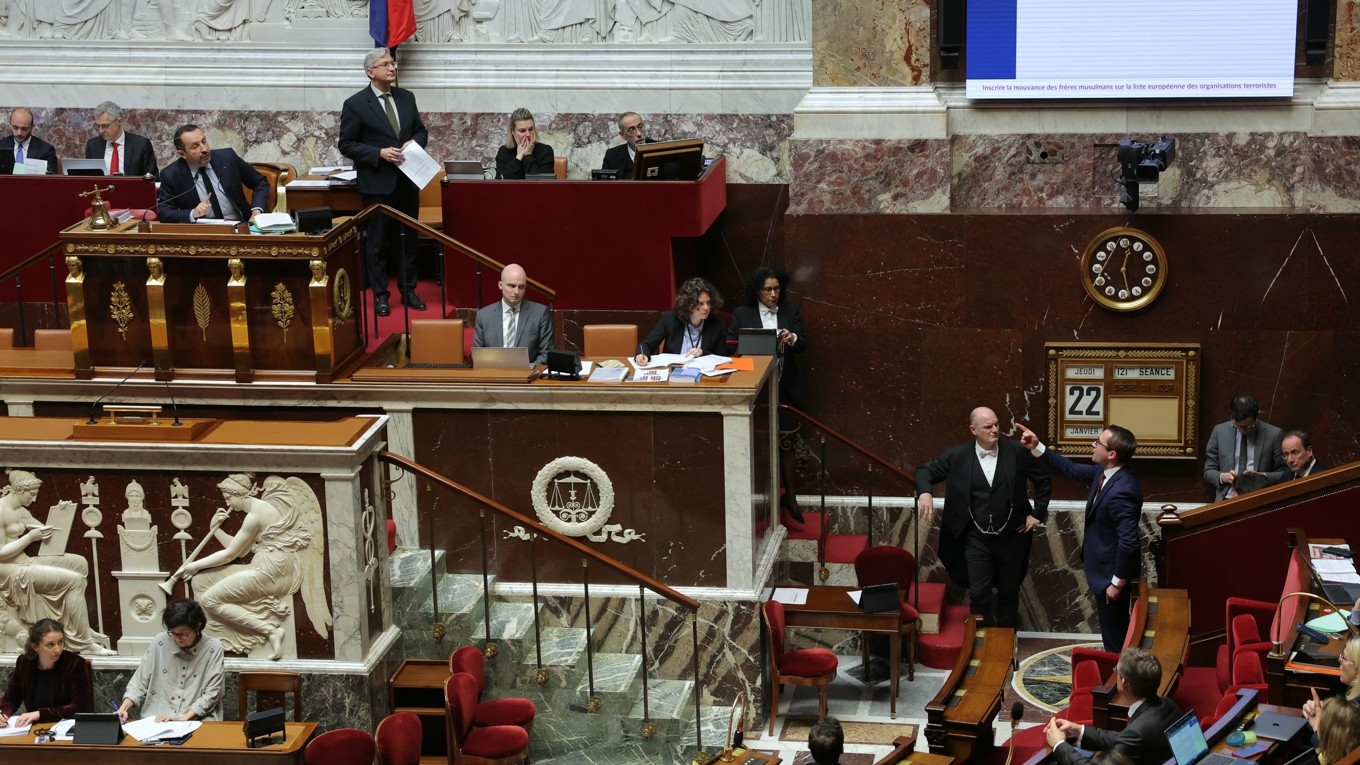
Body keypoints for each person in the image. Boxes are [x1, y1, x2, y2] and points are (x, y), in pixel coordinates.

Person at [915, 408, 1051, 628]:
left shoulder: (1016, 451)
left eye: (997, 424)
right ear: (973, 429)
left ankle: (1007, 649)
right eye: (988, 426)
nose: (995, 430)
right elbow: (924, 471)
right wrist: (925, 492)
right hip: (976, 540)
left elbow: (1044, 479)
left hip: (1012, 537)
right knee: (979, 595)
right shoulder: (957, 455)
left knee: (1009, 593)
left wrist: (1037, 513)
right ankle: (978, 646)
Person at [173, 473, 331, 661]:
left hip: (272, 572)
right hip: (267, 567)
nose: (228, 503)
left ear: (240, 494)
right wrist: (216, 530)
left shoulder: (256, 514)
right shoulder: (262, 509)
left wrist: (194, 565)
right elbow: (240, 551)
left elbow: (231, 554)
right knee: (200, 581)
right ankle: (224, 635)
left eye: (229, 498)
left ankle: (271, 631)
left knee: (210, 600)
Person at [1017, 422, 1141, 652]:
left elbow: (1129, 542)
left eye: (1098, 443)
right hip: (1103, 573)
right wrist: (1037, 447)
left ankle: (1120, 682)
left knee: (1116, 637)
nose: (1092, 445)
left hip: (1110, 578)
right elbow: (1070, 469)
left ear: (1111, 454)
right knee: (1112, 633)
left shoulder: (1123, 489)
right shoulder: (1104, 473)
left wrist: (1117, 582)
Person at [338, 48, 430, 317]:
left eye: (393, 63)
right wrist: (378, 153)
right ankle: (380, 295)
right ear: (371, 72)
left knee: (408, 240)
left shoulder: (406, 97)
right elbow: (346, 144)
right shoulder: (355, 104)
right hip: (377, 184)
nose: (393, 67)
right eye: (385, 64)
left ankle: (409, 290)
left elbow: (420, 130)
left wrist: (417, 142)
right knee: (376, 243)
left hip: (407, 181)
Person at [0, 469, 114, 656]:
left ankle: (78, 624)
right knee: (75, 580)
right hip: (11, 573)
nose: (34, 500)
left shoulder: (19, 510)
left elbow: (45, 530)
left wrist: (60, 513)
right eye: (32, 494)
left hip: (25, 563)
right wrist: (29, 538)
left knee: (80, 563)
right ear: (20, 490)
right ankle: (84, 642)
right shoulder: (1, 510)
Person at [1044, 648, 1180, 765]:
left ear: (1124, 683)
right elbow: (1125, 739)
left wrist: (1059, 745)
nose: (1115, 673)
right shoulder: (1169, 705)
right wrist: (1079, 730)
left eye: (1117, 671)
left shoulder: (1137, 733)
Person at [117, 600, 223, 723]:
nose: (178, 639)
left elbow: (211, 694)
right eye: (173, 633)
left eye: (184, 634)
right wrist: (123, 708)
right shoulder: (160, 642)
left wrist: (181, 720)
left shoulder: (213, 648)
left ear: (198, 626)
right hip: (156, 719)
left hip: (196, 721)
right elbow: (139, 682)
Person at [727, 266, 808, 409]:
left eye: (776, 289)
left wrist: (792, 338)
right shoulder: (742, 313)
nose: (773, 294)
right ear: (758, 291)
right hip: (753, 381)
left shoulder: (790, 309)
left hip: (786, 381)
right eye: (768, 289)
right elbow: (730, 346)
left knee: (789, 424)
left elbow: (802, 344)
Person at [156, 124, 269, 224]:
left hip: (240, 227)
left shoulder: (228, 158)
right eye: (195, 146)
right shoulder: (171, 175)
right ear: (182, 153)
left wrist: (256, 211)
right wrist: (193, 213)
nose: (204, 149)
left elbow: (260, 182)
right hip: (203, 235)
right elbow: (164, 212)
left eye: (204, 141)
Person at [0, 619, 93, 727]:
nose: (57, 649)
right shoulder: (25, 663)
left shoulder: (75, 664)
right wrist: (3, 713)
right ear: (35, 647)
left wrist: (40, 714)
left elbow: (81, 707)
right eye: (50, 645)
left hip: (67, 728)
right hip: (34, 729)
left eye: (60, 642)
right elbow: (11, 699)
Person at [1203, 394, 1287, 500]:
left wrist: (1261, 476)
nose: (1243, 431)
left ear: (1256, 416)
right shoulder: (1219, 432)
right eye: (1238, 426)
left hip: (1259, 499)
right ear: (1232, 417)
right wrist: (1224, 477)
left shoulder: (1274, 434)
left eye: (1248, 427)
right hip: (1227, 499)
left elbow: (1284, 472)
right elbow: (1208, 471)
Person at [472, 263, 555, 365]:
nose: (516, 292)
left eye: (521, 287)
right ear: (500, 285)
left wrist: (526, 370)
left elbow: (547, 355)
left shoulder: (540, 313)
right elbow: (479, 357)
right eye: (511, 286)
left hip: (528, 377)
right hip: (494, 376)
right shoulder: (484, 316)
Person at [635, 277, 729, 364]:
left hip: (704, 377)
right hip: (672, 373)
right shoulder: (670, 319)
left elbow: (721, 357)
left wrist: (702, 352)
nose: (706, 307)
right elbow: (646, 345)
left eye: (708, 303)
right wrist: (642, 355)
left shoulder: (717, 324)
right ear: (689, 304)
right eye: (701, 303)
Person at [84, 101, 159, 178]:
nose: (100, 131)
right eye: (98, 126)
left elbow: (153, 179)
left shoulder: (141, 145)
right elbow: (89, 177)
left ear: (119, 121)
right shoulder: (93, 145)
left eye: (105, 126)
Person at [1302, 634, 1360, 731]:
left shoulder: (1356, 710)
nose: (1339, 660)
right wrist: (1314, 711)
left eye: (1344, 658)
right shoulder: (1344, 688)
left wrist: (1318, 725)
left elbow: (1335, 746)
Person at [495, 108, 555, 179]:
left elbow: (542, 184)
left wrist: (528, 155)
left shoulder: (545, 151)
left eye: (531, 129)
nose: (528, 134)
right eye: (522, 131)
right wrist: (519, 156)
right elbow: (504, 184)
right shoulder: (504, 152)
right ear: (513, 132)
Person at [0, 107, 57, 175]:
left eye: (24, 129)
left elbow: (51, 179)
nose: (19, 133)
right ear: (10, 125)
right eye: (15, 127)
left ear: (32, 127)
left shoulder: (46, 150)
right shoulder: (1, 145)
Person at [600, 112, 656, 178]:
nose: (639, 134)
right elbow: (604, 185)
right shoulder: (611, 156)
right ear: (623, 135)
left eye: (640, 127)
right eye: (632, 130)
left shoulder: (661, 149)